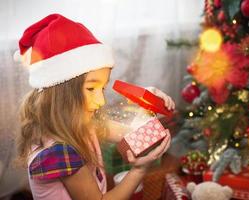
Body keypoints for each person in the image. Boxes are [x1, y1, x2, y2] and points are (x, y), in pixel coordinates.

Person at [14, 14, 175, 200]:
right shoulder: (59, 151)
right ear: (60, 94)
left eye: (103, 88)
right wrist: (139, 170)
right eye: (91, 88)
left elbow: (130, 134)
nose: (101, 101)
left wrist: (149, 103)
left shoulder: (78, 123)